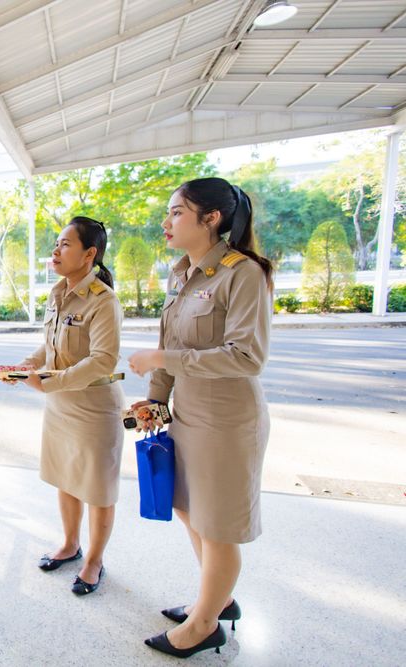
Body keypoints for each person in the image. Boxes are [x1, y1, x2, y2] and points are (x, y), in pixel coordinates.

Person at [127, 177, 273, 659]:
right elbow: (172, 342)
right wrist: (156, 400)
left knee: (218, 526)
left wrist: (162, 362)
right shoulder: (181, 272)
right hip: (187, 416)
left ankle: (204, 625)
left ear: (211, 219)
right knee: (191, 510)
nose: (166, 222)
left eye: (177, 213)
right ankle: (218, 601)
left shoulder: (242, 273)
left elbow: (245, 357)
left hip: (227, 423)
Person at [0, 216, 124, 596]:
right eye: (57, 242)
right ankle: (70, 545)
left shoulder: (104, 300)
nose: (56, 250)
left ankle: (94, 561)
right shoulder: (57, 293)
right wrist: (27, 365)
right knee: (66, 479)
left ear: (89, 254)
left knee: (98, 490)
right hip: (60, 406)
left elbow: (103, 360)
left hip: (93, 408)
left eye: (66, 244)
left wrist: (49, 383)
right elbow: (50, 346)